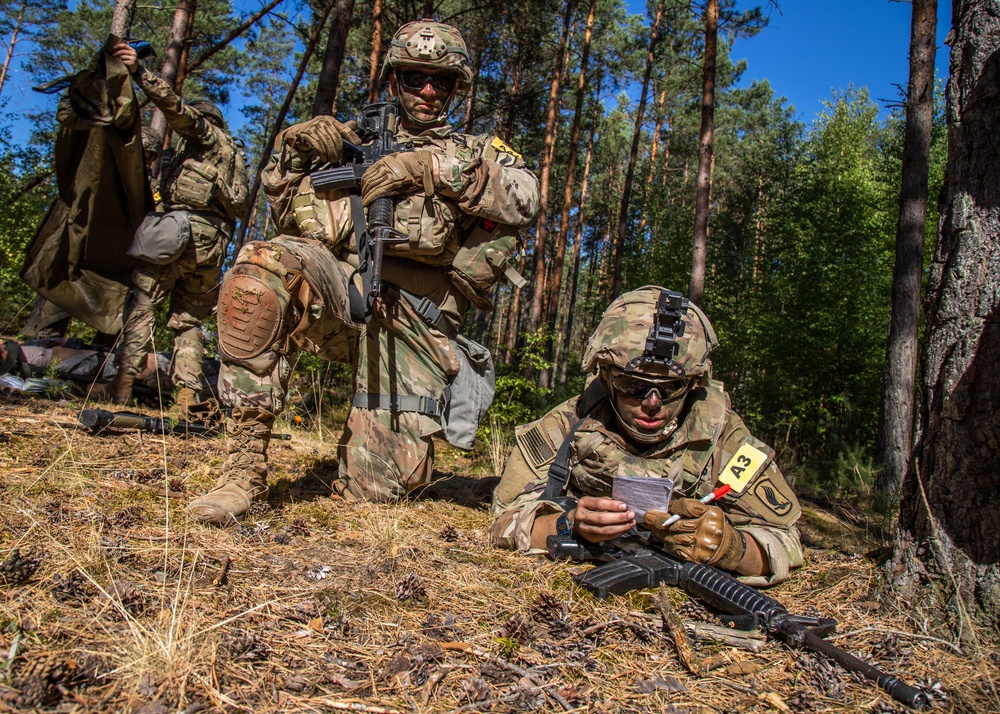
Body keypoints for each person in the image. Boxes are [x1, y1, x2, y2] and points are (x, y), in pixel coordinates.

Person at [184, 20, 540, 525]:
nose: (429, 91)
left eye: (442, 80)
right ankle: (243, 469)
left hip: (414, 322)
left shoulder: (480, 150)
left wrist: (430, 169)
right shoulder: (350, 138)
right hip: (339, 293)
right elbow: (288, 217)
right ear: (394, 80)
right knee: (260, 266)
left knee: (377, 490)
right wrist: (294, 150)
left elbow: (526, 197)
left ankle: (372, 447)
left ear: (458, 88)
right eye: (415, 78)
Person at [491, 287, 803, 586]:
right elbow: (504, 521)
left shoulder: (726, 441)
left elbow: (784, 540)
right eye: (634, 386)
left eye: (670, 389)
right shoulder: (567, 426)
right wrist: (568, 523)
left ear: (694, 384)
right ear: (607, 376)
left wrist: (733, 549)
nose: (652, 403)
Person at [96, 43, 248, 409]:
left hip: (181, 231)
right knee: (189, 320)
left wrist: (139, 73)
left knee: (143, 303)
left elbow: (174, 108)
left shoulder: (206, 137)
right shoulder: (235, 155)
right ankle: (185, 396)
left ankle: (121, 387)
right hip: (215, 244)